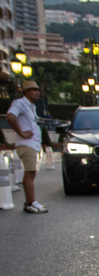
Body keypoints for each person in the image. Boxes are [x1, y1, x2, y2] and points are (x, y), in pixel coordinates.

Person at [6, 80, 47, 214]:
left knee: (31, 172)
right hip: (26, 144)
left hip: (32, 144)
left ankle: (30, 202)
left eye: (37, 90)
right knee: (30, 173)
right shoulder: (20, 103)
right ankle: (30, 203)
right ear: (26, 92)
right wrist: (21, 133)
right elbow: (10, 117)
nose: (36, 92)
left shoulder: (31, 106)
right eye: (33, 90)